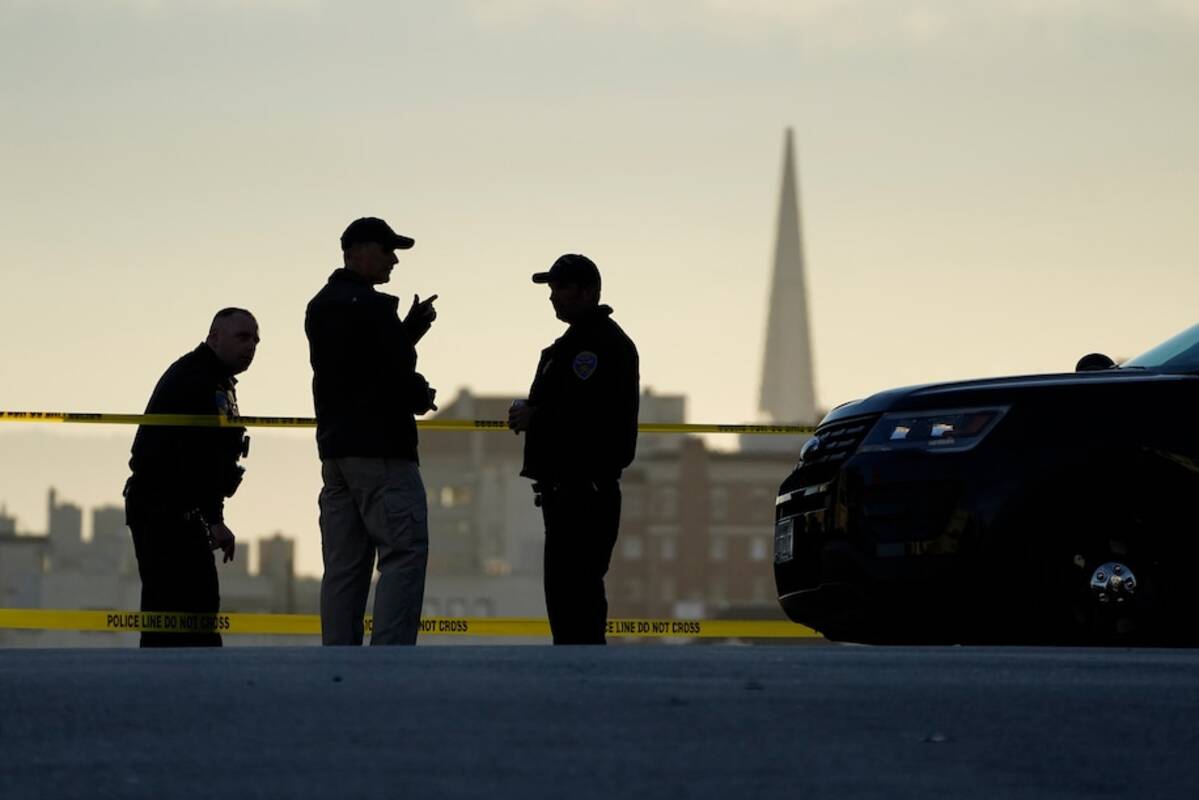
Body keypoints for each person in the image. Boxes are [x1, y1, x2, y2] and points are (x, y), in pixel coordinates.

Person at [305, 217, 439, 646]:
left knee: (345, 567)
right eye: (387, 250)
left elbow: (357, 367)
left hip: (337, 454)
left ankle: (338, 660)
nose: (394, 260)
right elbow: (390, 375)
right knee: (403, 553)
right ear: (358, 250)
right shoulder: (374, 308)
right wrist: (421, 394)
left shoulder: (321, 306)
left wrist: (406, 332)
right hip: (383, 452)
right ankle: (390, 662)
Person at [508, 254, 639, 644]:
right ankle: (577, 672)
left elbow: (590, 415)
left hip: (584, 490)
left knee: (576, 593)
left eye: (561, 288)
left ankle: (583, 675)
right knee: (567, 595)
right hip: (567, 490)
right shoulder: (577, 344)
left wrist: (537, 416)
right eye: (551, 289)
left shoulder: (597, 347)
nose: (553, 297)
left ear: (588, 291)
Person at [124, 308, 258, 647]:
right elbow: (197, 457)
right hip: (165, 510)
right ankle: (183, 687)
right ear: (214, 338)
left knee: (185, 611)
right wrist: (214, 519)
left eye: (255, 340)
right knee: (180, 612)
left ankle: (182, 686)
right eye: (242, 337)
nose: (251, 346)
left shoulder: (215, 379)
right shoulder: (196, 378)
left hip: (174, 509)